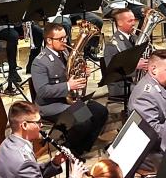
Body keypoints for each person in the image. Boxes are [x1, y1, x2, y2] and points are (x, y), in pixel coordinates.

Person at [31, 23, 109, 157]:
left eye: (65, 37)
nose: (65, 41)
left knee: (100, 111)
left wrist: (83, 72)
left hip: (68, 100)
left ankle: (82, 148)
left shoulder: (66, 53)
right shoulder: (40, 62)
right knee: (83, 120)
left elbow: (71, 73)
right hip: (51, 105)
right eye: (60, 39)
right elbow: (42, 91)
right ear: (49, 40)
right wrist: (68, 86)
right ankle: (70, 152)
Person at [129, 50, 166, 161]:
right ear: (153, 70)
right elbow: (152, 131)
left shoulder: (161, 83)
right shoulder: (144, 95)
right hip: (153, 153)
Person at [0, 0, 43, 75]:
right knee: (13, 36)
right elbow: (9, 11)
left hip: (19, 22)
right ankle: (12, 71)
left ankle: (31, 66)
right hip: (5, 24)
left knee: (39, 33)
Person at [102, 8, 148, 100]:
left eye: (134, 20)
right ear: (120, 23)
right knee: (148, 91)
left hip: (134, 81)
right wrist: (135, 67)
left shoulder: (135, 38)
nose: (134, 23)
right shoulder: (112, 44)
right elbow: (113, 73)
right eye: (130, 21)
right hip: (121, 85)